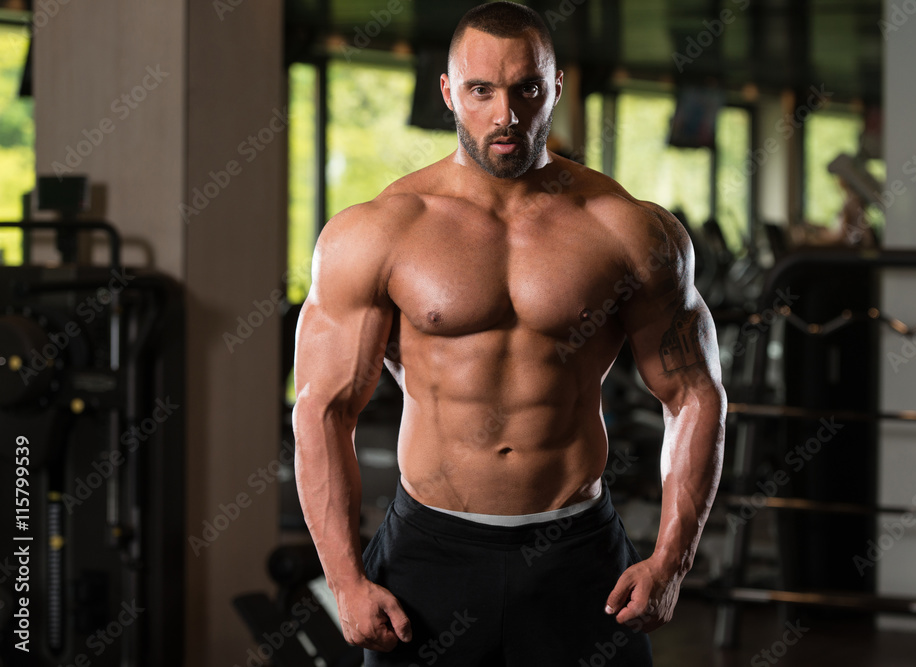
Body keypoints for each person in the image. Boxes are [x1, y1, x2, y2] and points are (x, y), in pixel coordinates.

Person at [292, 3, 726, 665]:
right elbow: (323, 408)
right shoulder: (379, 232)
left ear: (554, 88)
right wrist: (346, 579)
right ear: (448, 92)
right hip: (428, 553)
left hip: (578, 553)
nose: (505, 115)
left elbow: (696, 394)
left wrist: (671, 559)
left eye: (526, 89)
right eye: (480, 91)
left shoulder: (629, 231)